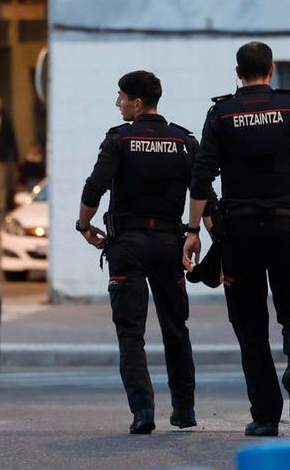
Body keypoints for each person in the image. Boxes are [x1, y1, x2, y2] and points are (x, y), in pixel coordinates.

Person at [184, 42, 290, 437]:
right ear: (271, 70)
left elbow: (201, 178)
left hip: (239, 233)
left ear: (237, 72)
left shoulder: (220, 114)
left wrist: (192, 233)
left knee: (249, 323)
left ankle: (265, 415)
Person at [76, 72, 198, 435]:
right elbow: (202, 192)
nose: (117, 103)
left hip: (127, 244)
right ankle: (185, 409)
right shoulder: (184, 141)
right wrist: (197, 233)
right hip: (168, 243)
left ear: (137, 103)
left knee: (131, 333)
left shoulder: (118, 140)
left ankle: (143, 412)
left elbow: (94, 187)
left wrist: (83, 226)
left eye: (121, 97)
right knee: (176, 327)